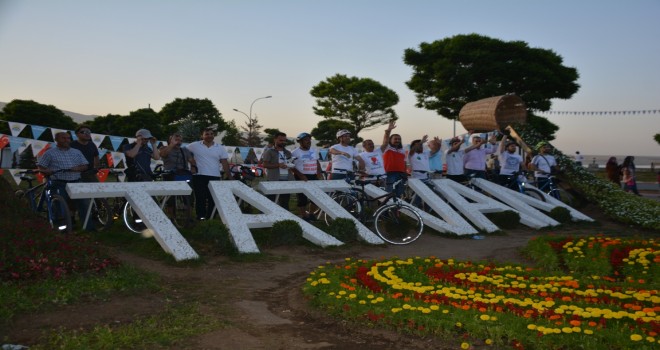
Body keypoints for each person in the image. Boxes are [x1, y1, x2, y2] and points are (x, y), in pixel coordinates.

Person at [37, 131, 93, 231]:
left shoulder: (76, 152)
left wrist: (78, 168)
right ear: (56, 140)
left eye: (68, 138)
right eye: (63, 138)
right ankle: (61, 228)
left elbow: (85, 165)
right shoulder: (50, 153)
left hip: (76, 182)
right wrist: (47, 171)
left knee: (84, 204)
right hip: (59, 182)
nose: (67, 140)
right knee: (59, 205)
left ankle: (89, 228)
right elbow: (41, 167)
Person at [187, 127, 231, 220]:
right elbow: (183, 152)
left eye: (211, 134)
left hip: (215, 176)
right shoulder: (193, 145)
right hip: (199, 176)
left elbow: (224, 162)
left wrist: (229, 176)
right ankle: (201, 217)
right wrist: (191, 163)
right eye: (207, 134)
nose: (209, 136)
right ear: (202, 136)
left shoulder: (220, 148)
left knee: (213, 198)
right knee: (200, 197)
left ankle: (211, 217)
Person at [291, 132, 322, 220]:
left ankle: (311, 214)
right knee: (302, 198)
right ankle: (304, 216)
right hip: (301, 176)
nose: (308, 141)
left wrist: (319, 173)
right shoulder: (295, 153)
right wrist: (300, 175)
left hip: (314, 175)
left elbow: (317, 162)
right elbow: (291, 166)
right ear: (300, 142)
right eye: (306, 140)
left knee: (315, 197)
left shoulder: (314, 150)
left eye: (309, 140)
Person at [262, 132, 295, 209]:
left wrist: (290, 166)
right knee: (270, 202)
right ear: (275, 140)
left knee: (285, 202)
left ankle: (285, 219)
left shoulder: (288, 152)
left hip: (286, 180)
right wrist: (278, 165)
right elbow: (265, 165)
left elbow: (290, 164)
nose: (283, 142)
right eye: (281, 140)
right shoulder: (269, 151)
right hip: (273, 179)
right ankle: (269, 218)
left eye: (284, 140)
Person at [381, 121, 408, 198]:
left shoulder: (402, 150)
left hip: (401, 175)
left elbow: (404, 162)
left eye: (399, 139)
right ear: (390, 140)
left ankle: (396, 210)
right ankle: (387, 209)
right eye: (395, 139)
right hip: (389, 174)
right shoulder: (387, 148)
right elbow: (385, 141)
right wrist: (388, 131)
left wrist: (405, 173)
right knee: (388, 194)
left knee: (399, 194)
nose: (397, 140)